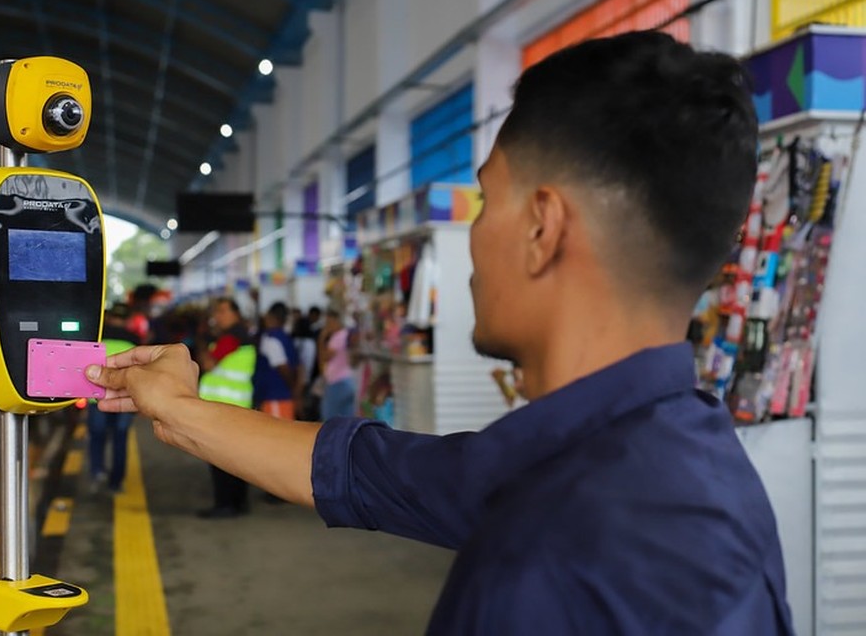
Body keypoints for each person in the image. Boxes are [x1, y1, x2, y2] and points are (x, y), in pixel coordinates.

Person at [86, 32, 794, 634]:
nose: (474, 234)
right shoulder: (662, 454)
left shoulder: (560, 553)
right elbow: (366, 471)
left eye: (487, 199)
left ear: (542, 229)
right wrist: (179, 408)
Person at [195, 297, 257, 518]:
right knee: (237, 459)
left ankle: (225, 505)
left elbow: (209, 364)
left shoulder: (232, 337)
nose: (217, 316)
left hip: (225, 409)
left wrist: (202, 345)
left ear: (235, 313)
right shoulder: (240, 335)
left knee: (221, 460)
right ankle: (238, 503)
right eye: (216, 311)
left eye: (222, 311)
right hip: (236, 408)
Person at [87, 302, 139, 494]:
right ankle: (116, 482)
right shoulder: (134, 339)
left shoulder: (98, 336)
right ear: (127, 320)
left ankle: (98, 471)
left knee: (97, 436)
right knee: (120, 437)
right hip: (125, 397)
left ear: (109, 317)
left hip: (97, 396)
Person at [254, 302, 300, 421]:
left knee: (277, 434)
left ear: (271, 317)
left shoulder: (272, 339)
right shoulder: (285, 337)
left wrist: (292, 389)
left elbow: (283, 368)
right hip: (282, 396)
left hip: (275, 396)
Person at [317, 309, 355, 421]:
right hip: (346, 381)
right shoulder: (345, 335)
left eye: (329, 322)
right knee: (346, 422)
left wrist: (321, 338)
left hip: (337, 383)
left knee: (329, 422)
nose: (327, 326)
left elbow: (324, 357)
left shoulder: (338, 337)